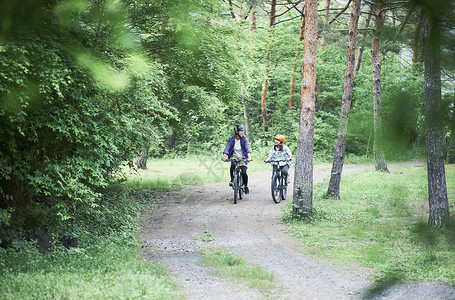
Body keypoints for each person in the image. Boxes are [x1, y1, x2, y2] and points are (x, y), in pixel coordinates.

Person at [222, 124, 252, 194]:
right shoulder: (231, 139)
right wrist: (224, 156)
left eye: (242, 131)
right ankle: (232, 180)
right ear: (236, 132)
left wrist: (249, 157)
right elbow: (227, 147)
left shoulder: (244, 138)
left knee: (244, 172)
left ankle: (245, 186)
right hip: (234, 156)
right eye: (241, 131)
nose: (242, 132)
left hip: (243, 156)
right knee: (232, 165)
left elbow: (247, 148)